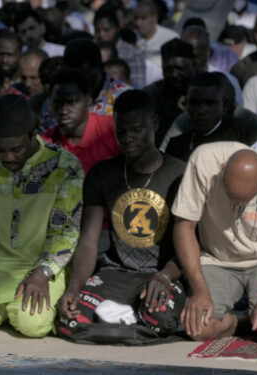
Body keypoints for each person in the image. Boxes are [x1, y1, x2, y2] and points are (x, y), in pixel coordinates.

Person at [57, 90, 187, 343]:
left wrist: (165, 276)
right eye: (121, 131)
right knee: (70, 320)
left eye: (137, 130)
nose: (128, 138)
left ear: (155, 124)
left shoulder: (180, 174)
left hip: (162, 275)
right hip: (116, 273)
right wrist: (74, 286)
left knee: (160, 319)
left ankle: (124, 321)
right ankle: (130, 324)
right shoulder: (102, 174)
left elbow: (192, 243)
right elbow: (88, 241)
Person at [0, 94, 83, 338]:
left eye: (16, 149)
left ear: (33, 134)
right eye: (0, 150)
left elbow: (66, 232)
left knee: (32, 325)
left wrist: (41, 274)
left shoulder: (65, 167)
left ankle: (14, 310)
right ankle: (5, 310)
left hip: (41, 268)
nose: (8, 157)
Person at [172, 142, 257, 343]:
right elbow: (184, 227)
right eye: (232, 197)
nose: (238, 205)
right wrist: (199, 289)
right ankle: (239, 322)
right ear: (222, 171)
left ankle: (255, 317)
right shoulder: (204, 160)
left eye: (244, 200)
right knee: (199, 329)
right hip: (217, 259)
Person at [166, 72, 257, 162]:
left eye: (209, 103)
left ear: (224, 105)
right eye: (194, 103)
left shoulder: (251, 135)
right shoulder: (176, 145)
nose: (201, 111)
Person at [41, 69, 121, 172]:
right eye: (58, 103)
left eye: (71, 102)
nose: (64, 111)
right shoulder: (45, 145)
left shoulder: (113, 130)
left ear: (88, 100)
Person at [144, 38, 197, 146]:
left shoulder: (209, 90)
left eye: (180, 68)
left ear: (194, 64)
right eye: (168, 69)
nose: (174, 74)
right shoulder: (151, 94)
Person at [94, 4, 152, 88]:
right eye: (97, 31)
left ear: (117, 28)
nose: (102, 35)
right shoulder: (90, 51)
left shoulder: (133, 54)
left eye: (107, 30)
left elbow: (138, 86)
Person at [133, 0, 178, 70]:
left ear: (154, 17)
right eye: (136, 18)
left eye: (143, 18)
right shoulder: (131, 38)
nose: (138, 23)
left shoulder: (171, 38)